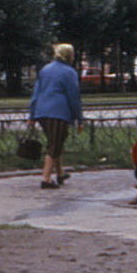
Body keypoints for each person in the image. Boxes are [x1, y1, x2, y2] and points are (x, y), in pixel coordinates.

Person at [28, 43, 83, 189]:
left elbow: (36, 93)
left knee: (55, 141)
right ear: (69, 55)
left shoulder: (45, 69)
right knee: (54, 145)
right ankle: (46, 179)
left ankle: (60, 173)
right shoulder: (69, 72)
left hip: (42, 111)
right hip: (58, 112)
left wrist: (32, 114)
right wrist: (79, 118)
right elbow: (74, 97)